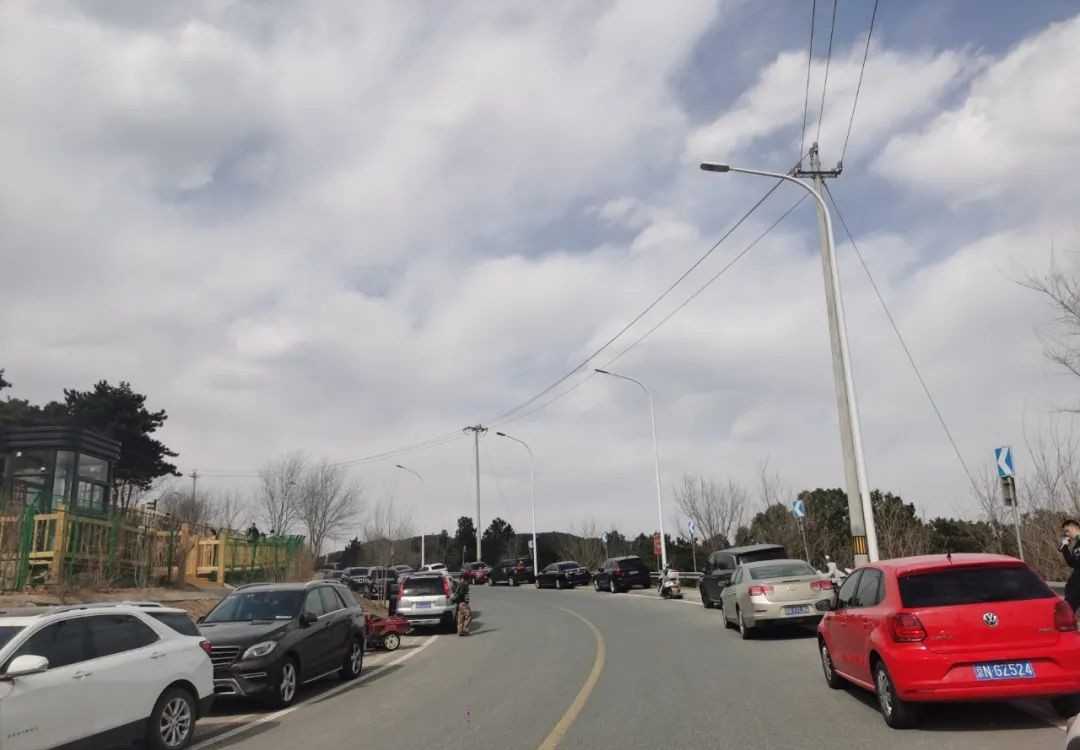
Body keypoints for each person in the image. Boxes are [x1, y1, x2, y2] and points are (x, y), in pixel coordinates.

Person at [1061, 520, 1080, 613]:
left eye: (1067, 531)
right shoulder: (1076, 545)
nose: (1066, 534)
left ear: (1073, 527)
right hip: (1075, 584)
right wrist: (1065, 548)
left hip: (1077, 585)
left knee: (1067, 611)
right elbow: (1072, 563)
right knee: (1068, 611)